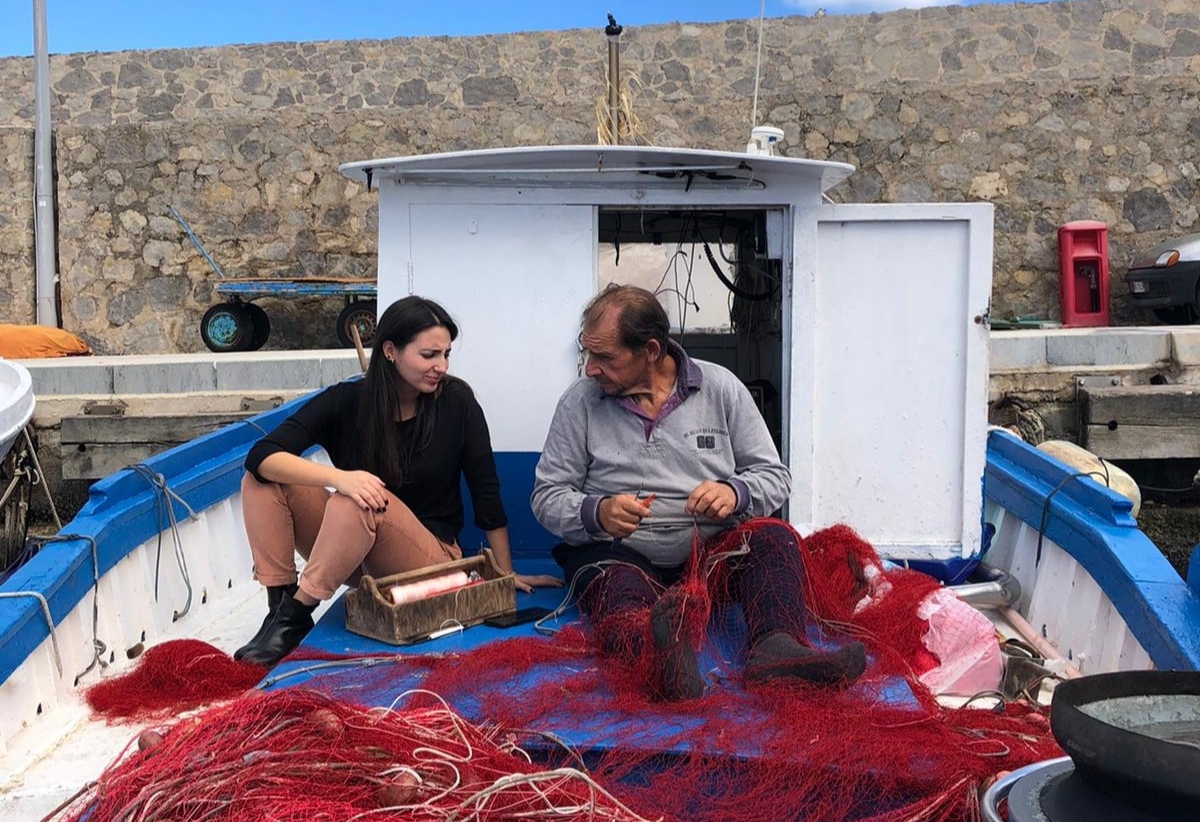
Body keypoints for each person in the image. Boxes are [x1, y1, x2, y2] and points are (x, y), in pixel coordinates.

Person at [532, 284, 866, 700]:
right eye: (587, 354)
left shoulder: (721, 388)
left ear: (650, 350)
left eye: (604, 357)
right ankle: (658, 656)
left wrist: (735, 492)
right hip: (618, 552)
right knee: (616, 589)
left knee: (773, 539)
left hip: (710, 553)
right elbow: (546, 496)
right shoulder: (579, 403)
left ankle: (776, 651)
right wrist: (596, 512)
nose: (590, 370)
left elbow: (775, 476)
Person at [235, 295, 560, 666]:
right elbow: (261, 455)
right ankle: (278, 607)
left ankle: (295, 616)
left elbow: (486, 491)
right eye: (429, 355)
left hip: (429, 560)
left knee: (359, 498)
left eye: (446, 354)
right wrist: (339, 477)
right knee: (264, 480)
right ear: (390, 351)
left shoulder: (457, 402)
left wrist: (504, 574)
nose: (441, 366)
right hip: (354, 554)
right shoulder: (347, 401)